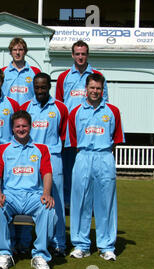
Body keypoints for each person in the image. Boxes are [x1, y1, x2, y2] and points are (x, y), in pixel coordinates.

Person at [0, 110, 57, 269]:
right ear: (12, 129)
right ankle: (4, 254)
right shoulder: (2, 149)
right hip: (10, 196)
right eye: (17, 126)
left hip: (33, 196)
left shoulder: (41, 149)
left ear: (31, 127)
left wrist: (46, 194)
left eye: (24, 126)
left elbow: (47, 173)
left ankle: (40, 255)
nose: (21, 129)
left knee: (48, 209)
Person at [67, 73, 124, 261]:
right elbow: (74, 140)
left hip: (104, 156)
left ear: (103, 90)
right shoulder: (75, 112)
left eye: (98, 88)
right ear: (86, 89)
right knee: (80, 201)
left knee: (105, 203)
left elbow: (115, 140)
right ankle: (81, 244)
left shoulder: (113, 111)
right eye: (92, 88)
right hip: (83, 157)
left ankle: (106, 245)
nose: (95, 91)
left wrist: (103, 155)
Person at [20, 72, 69, 256]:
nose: (40, 90)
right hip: (30, 158)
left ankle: (58, 243)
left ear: (49, 87)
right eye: (37, 87)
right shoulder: (25, 107)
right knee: (27, 197)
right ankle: (25, 242)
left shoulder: (60, 108)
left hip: (53, 156)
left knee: (54, 201)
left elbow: (63, 134)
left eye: (43, 87)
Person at [55, 40, 108, 210]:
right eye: (77, 54)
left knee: (91, 170)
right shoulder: (63, 77)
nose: (80, 57)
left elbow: (104, 104)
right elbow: (60, 105)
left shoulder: (97, 76)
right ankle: (67, 201)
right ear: (72, 55)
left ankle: (89, 202)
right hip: (69, 131)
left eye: (83, 54)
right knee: (68, 168)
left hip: (90, 132)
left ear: (87, 55)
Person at [2, 37, 41, 105]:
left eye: (20, 50)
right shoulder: (2, 71)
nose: (17, 53)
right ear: (11, 52)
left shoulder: (35, 71)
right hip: (8, 111)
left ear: (25, 52)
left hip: (28, 112)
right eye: (14, 50)